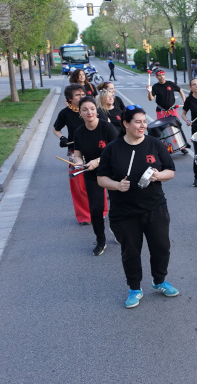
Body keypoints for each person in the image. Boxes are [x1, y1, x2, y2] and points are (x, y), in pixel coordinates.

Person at [97, 105, 179, 309]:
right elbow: (101, 179)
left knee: (161, 247)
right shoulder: (113, 149)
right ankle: (134, 288)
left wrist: (157, 176)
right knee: (131, 252)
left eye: (144, 121)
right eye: (138, 122)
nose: (143, 125)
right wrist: (116, 185)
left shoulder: (154, 144)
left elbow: (170, 171)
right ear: (125, 124)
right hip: (125, 211)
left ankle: (159, 281)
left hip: (155, 207)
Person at [52, 84, 107, 225]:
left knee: (99, 182)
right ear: (69, 99)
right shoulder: (65, 113)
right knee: (79, 186)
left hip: (95, 152)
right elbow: (55, 129)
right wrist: (62, 138)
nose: (81, 97)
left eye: (83, 94)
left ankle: (101, 212)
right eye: (77, 95)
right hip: (75, 151)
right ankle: (84, 216)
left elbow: (105, 123)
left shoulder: (92, 110)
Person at [72, 97, 117, 256]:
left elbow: (116, 151)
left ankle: (116, 228)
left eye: (91, 108)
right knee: (96, 209)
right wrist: (77, 162)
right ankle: (100, 240)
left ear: (96, 110)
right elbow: (77, 155)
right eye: (84, 109)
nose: (89, 112)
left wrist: (97, 161)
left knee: (118, 206)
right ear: (80, 113)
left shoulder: (107, 127)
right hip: (92, 174)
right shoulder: (79, 132)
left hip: (113, 172)